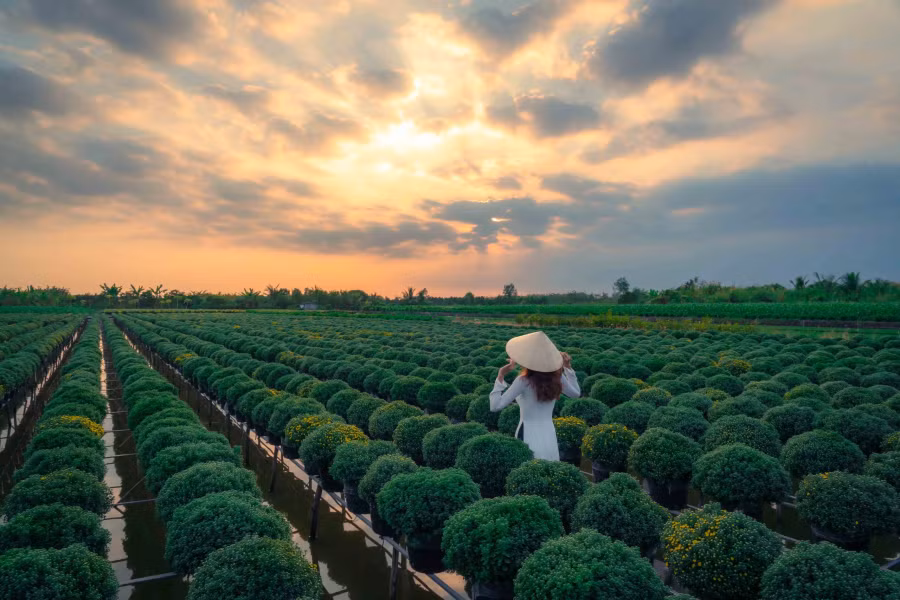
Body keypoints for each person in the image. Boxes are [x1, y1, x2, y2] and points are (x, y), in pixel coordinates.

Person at [489, 331, 580, 461]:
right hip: (549, 432)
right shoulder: (557, 377)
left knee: (528, 468)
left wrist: (500, 376)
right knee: (549, 466)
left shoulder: (523, 380)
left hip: (527, 432)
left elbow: (495, 406)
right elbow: (576, 394)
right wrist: (568, 368)